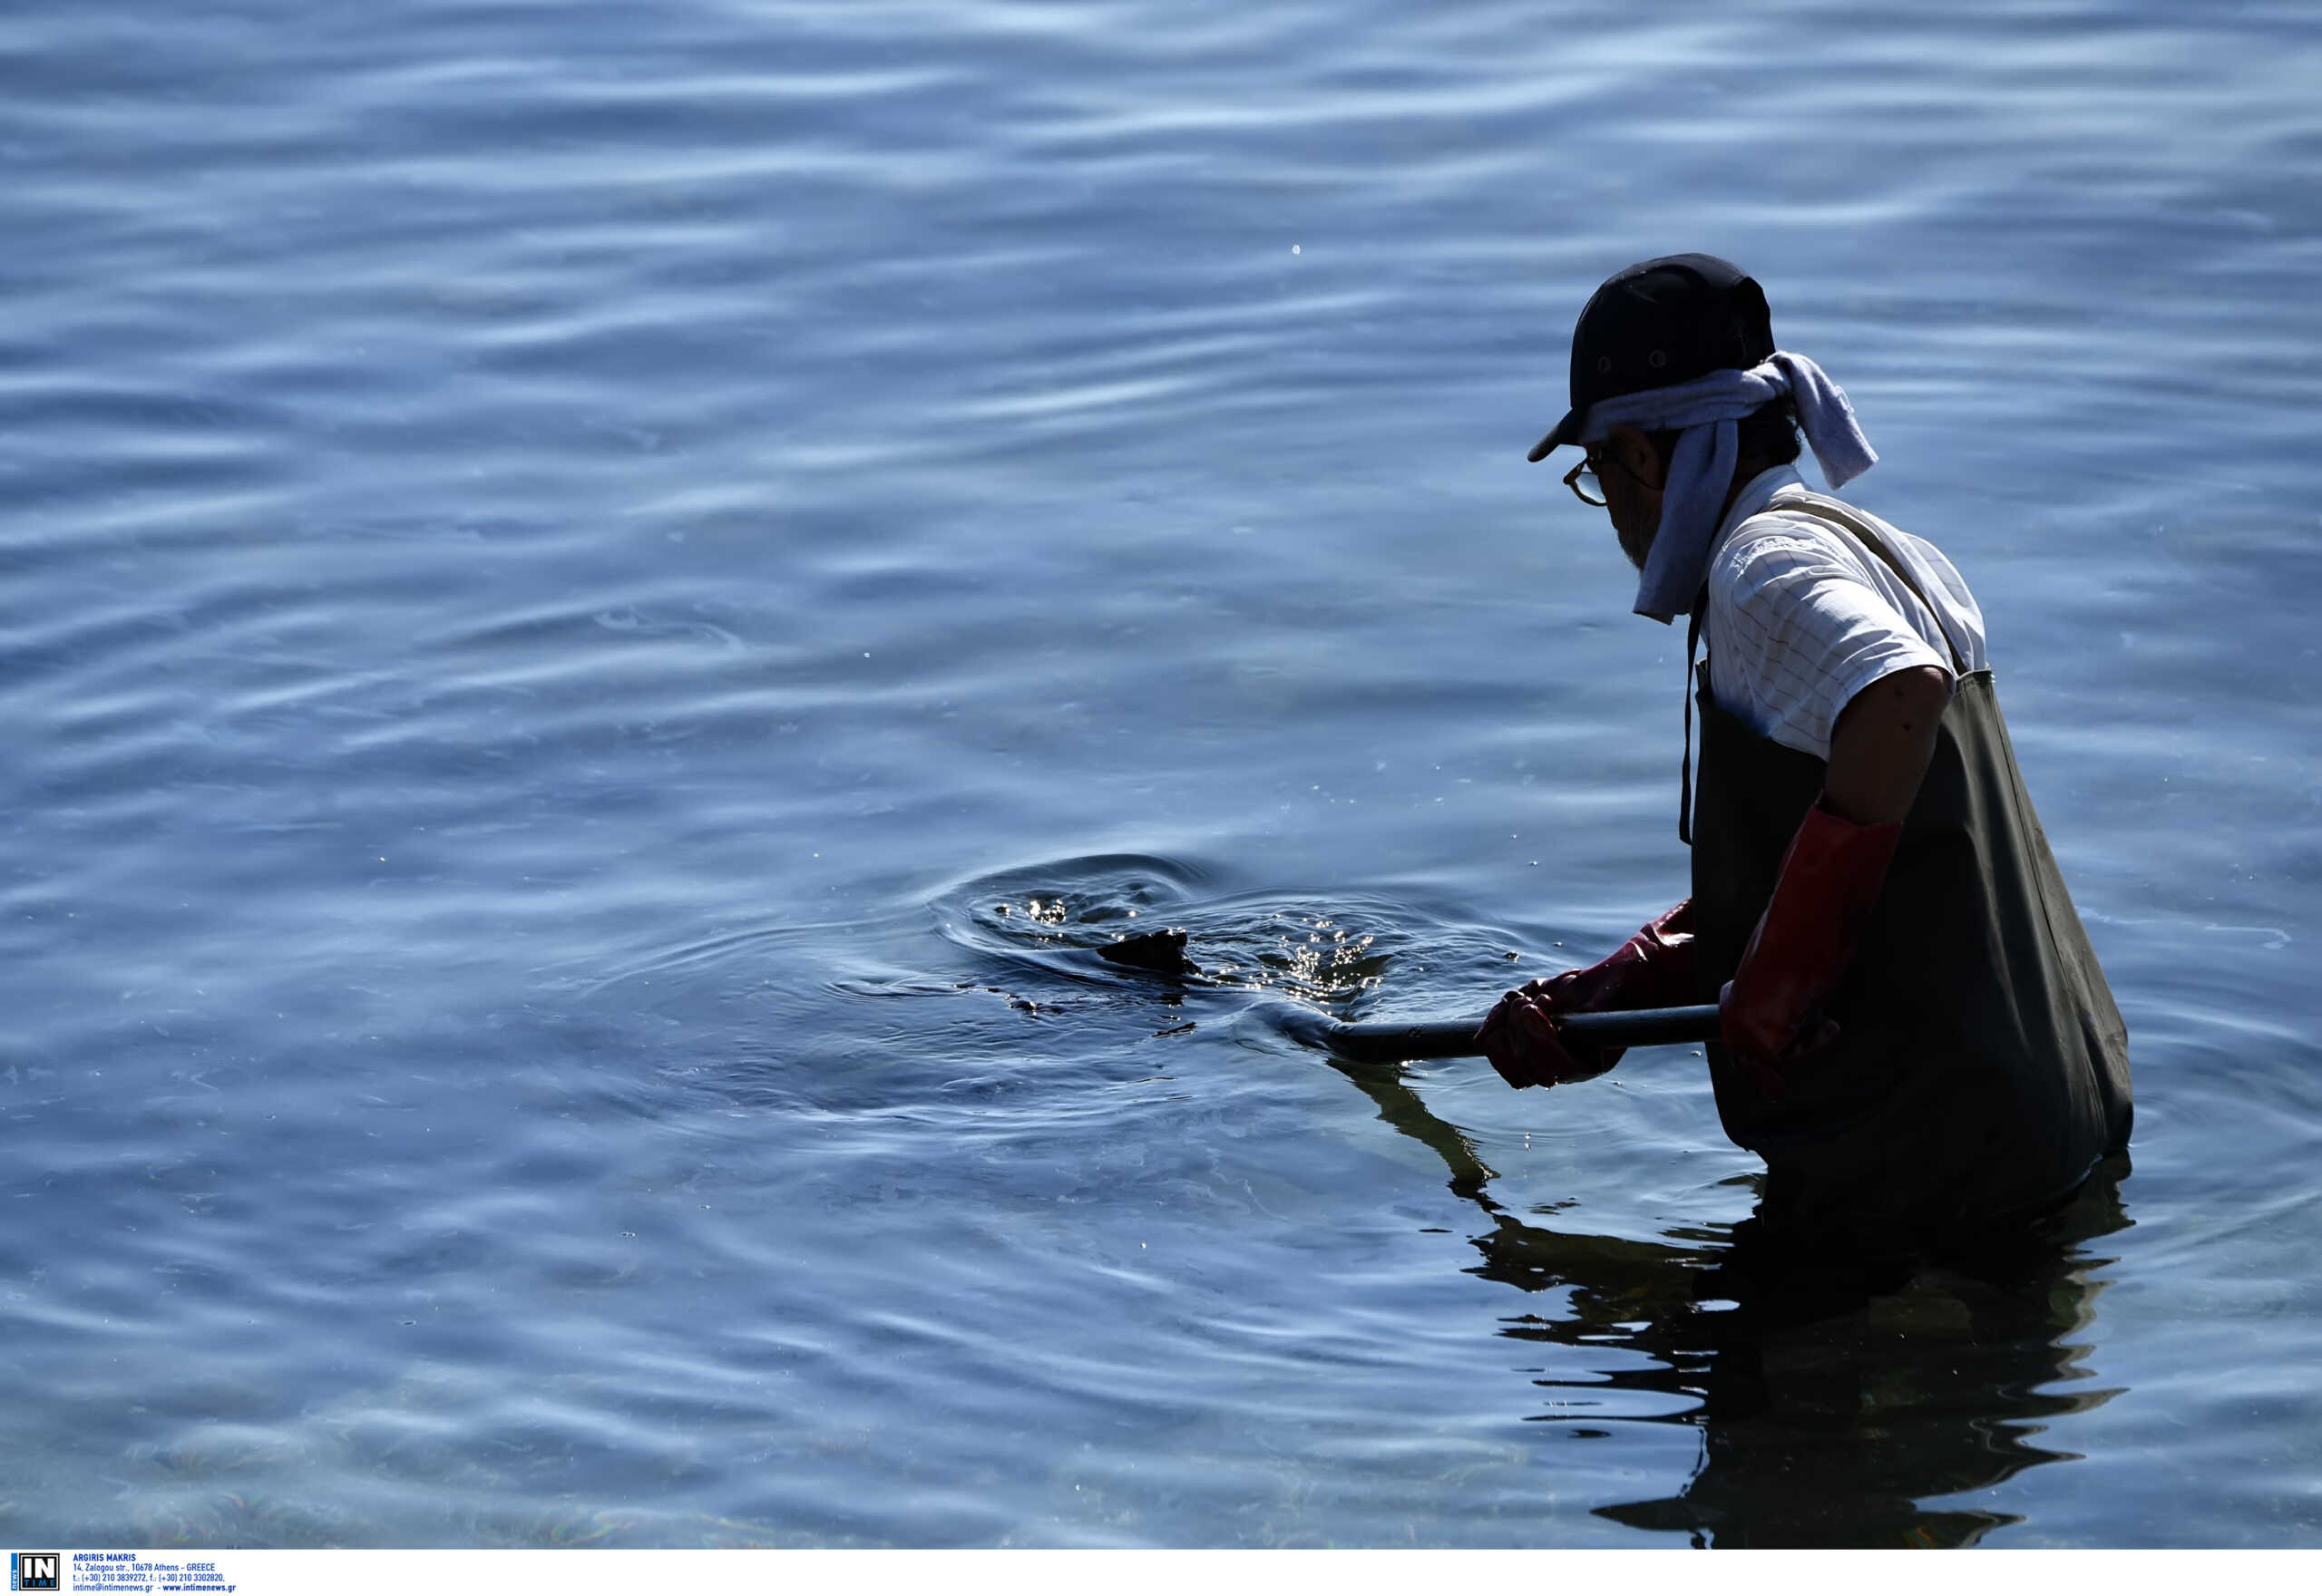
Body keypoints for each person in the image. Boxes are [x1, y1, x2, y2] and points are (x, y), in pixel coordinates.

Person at [1479, 254, 2131, 1257]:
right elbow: (1878, 861)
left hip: (1934, 1174)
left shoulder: (1761, 569)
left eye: (1597, 470)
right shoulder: (1881, 545)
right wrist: (1623, 986)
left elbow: (1898, 691)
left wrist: (1779, 981)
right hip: (2054, 1114)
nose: (1605, 505)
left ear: (1643, 460)